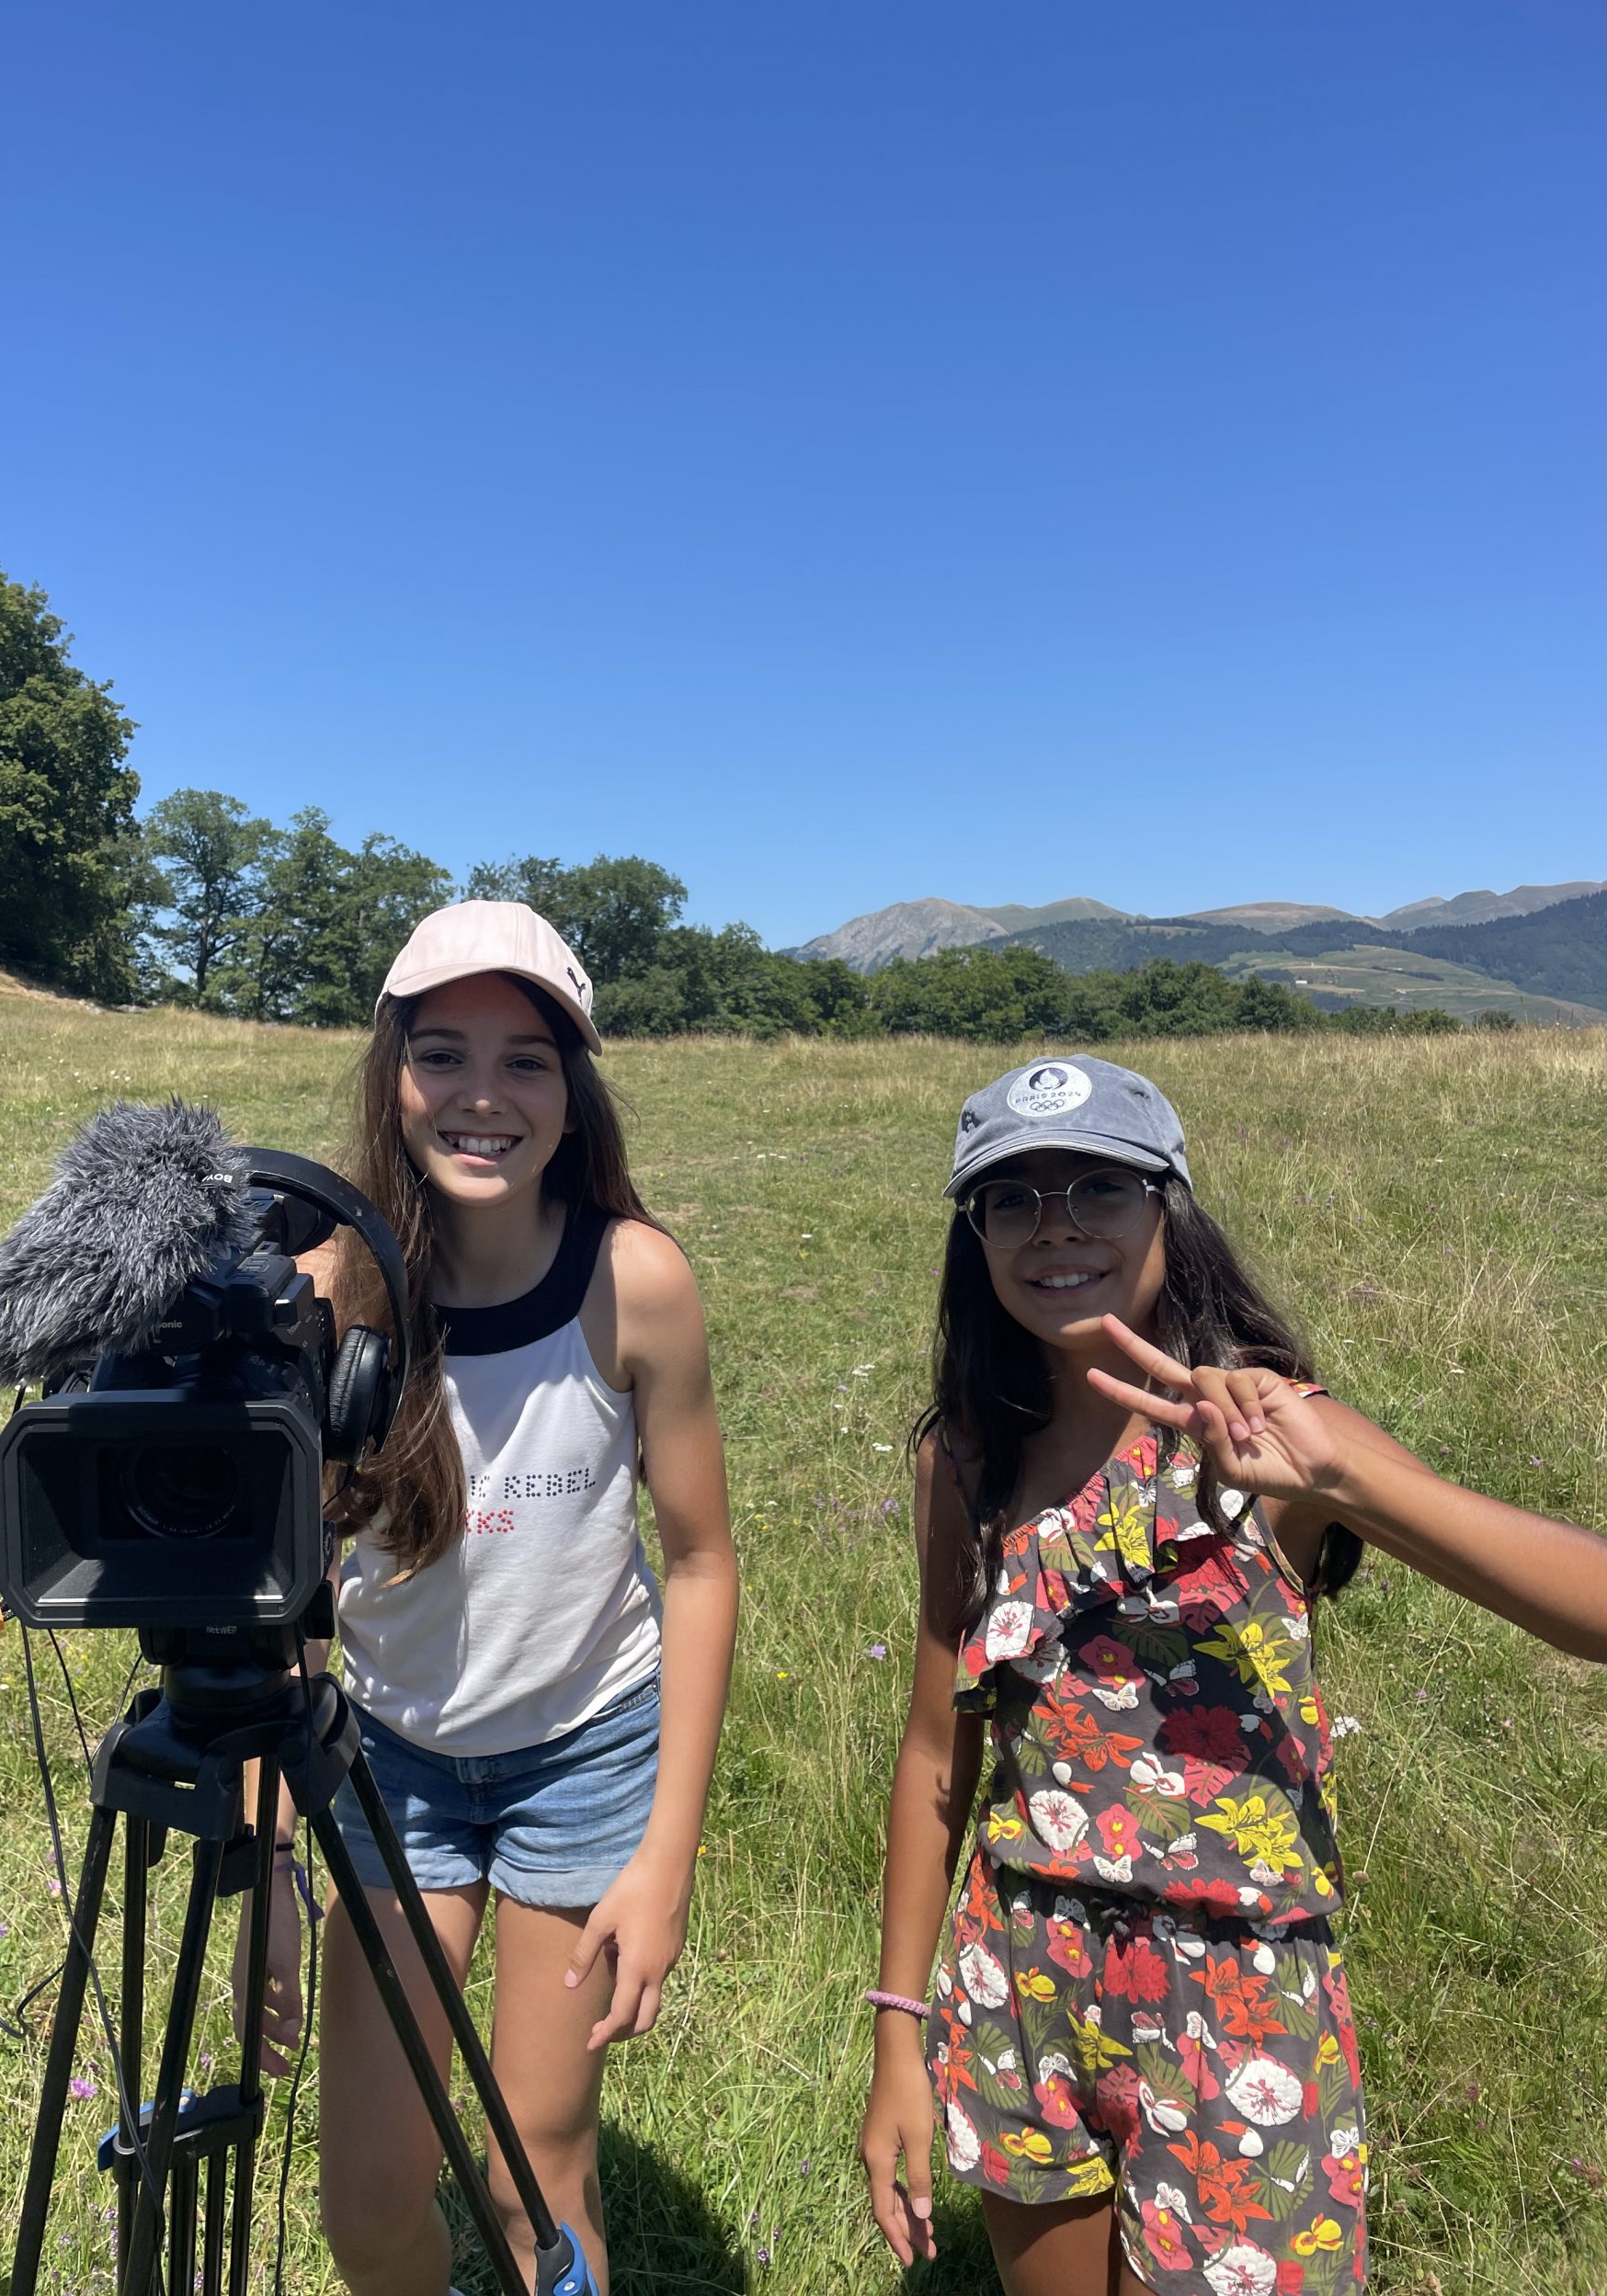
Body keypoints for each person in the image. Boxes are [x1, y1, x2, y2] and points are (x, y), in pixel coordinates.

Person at [860, 1055, 1607, 2296]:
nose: (1057, 1230)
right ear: (974, 1233)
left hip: (1240, 1993)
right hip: (1017, 1972)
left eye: (1100, 1187)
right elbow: (938, 1749)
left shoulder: (1272, 1437)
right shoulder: (967, 1456)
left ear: (1171, 1208)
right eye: (1014, 1199)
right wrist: (899, 2029)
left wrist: (1342, 1478)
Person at [236, 901, 737, 2296]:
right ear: (391, 1075)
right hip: (390, 1762)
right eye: (441, 1052)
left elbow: (698, 1565)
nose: (480, 1096)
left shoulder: (634, 1285)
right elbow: (279, 1597)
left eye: (527, 1062)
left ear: (573, 1097)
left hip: (584, 1757)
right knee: (370, 2203)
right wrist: (266, 1867)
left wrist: (664, 1858)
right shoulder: (330, 1293)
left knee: (539, 2176)